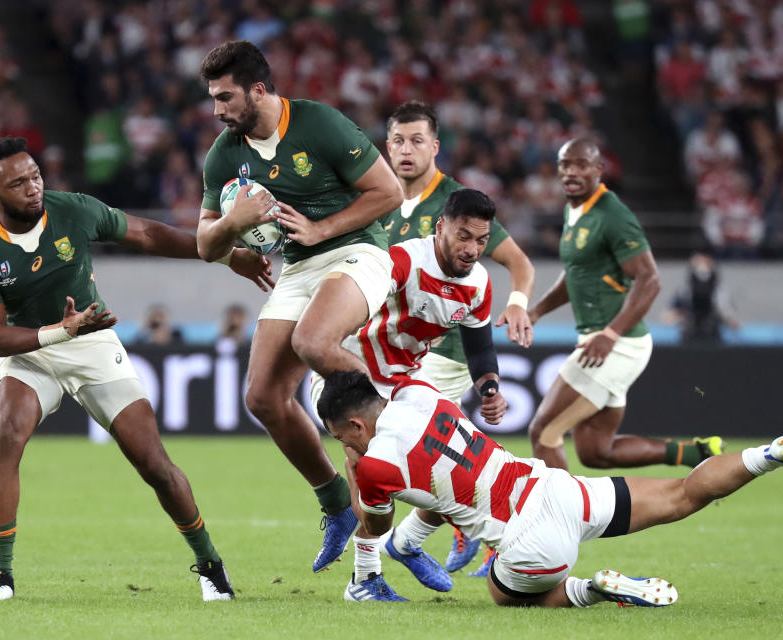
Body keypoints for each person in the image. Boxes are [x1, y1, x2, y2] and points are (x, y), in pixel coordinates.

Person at [0, 137, 272, 602]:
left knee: (153, 463)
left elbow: (146, 233)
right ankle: (0, 576)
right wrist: (59, 332)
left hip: (92, 341)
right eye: (18, 183)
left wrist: (221, 254)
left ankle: (210, 566)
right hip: (31, 348)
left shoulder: (73, 210)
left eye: (36, 175)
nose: (33, 187)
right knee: (7, 435)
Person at [318, 370, 783, 608]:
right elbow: (433, 485)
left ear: (355, 429)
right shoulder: (418, 393)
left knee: (503, 596)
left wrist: (357, 471)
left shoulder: (374, 465)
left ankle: (592, 589)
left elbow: (378, 522)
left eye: (342, 436)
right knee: (684, 495)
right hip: (556, 487)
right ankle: (768, 454)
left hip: (530, 542)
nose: (344, 444)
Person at [194, 41, 403, 574]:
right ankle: (336, 502)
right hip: (299, 266)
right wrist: (234, 228)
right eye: (212, 99)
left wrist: (322, 227)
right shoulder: (224, 155)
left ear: (258, 90)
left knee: (314, 343)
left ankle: (401, 445)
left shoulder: (319, 123)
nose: (217, 110)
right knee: (262, 397)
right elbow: (205, 245)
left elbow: (389, 192)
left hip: (357, 251)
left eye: (224, 97)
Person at [309, 188, 509, 600]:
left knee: (455, 466)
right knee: (374, 476)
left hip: (401, 384)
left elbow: (480, 347)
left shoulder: (479, 284)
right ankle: (365, 579)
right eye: (463, 236)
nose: (472, 249)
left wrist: (489, 387)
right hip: (349, 377)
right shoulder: (402, 261)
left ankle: (407, 542)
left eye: (481, 240)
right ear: (441, 228)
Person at [382, 100, 537, 576]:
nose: (406, 150)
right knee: (424, 454)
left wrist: (517, 302)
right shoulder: (377, 193)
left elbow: (520, 264)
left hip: (443, 353)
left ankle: (430, 538)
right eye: (398, 141)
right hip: (390, 349)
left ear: (435, 146)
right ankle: (453, 528)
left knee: (407, 451)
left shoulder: (456, 202)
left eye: (417, 141)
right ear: (386, 147)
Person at [526, 138, 723, 472]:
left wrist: (611, 334)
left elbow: (650, 279)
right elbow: (576, 273)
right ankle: (696, 454)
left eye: (581, 165)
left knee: (544, 432)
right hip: (600, 341)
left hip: (616, 343)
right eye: (565, 165)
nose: (571, 172)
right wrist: (537, 311)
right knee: (595, 452)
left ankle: (559, 521)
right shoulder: (574, 209)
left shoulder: (612, 214)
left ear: (598, 170)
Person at [662, 252, 739, 345]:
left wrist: (724, 316)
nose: (702, 286)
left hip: (714, 338)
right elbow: (666, 318)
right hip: (689, 338)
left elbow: (735, 324)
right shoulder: (684, 292)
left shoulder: (721, 294)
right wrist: (682, 316)